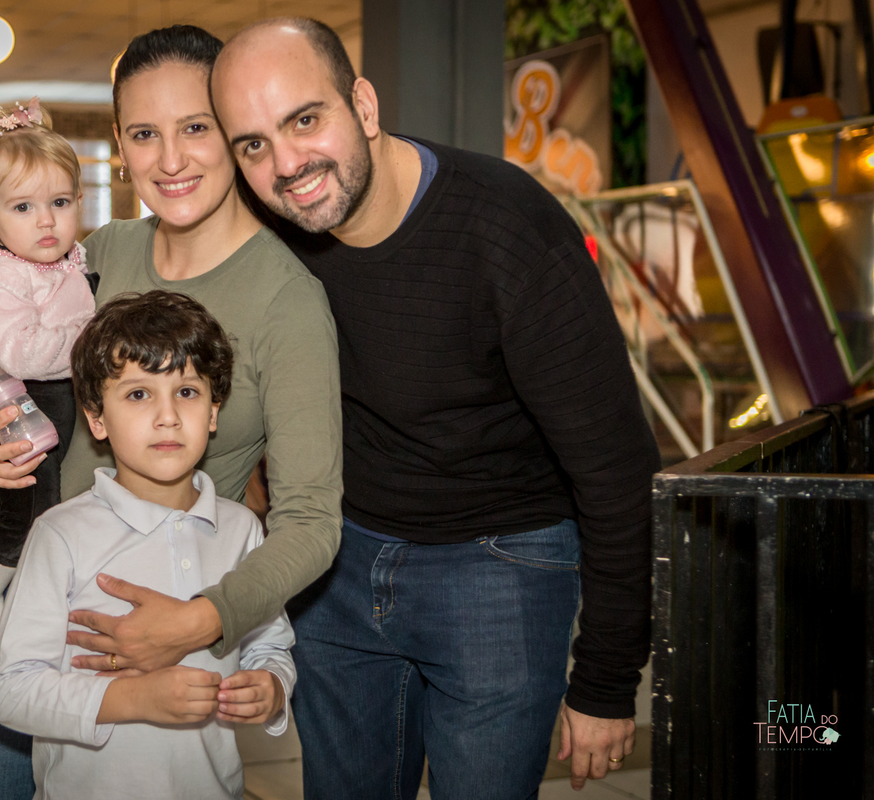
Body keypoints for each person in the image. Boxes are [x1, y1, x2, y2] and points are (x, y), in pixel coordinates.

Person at [207, 18, 662, 798]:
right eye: (252, 144)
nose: (287, 166)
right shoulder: (273, 240)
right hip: (339, 561)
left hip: (502, 565)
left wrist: (606, 680)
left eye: (305, 120)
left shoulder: (509, 230)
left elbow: (618, 471)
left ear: (366, 105)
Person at [0, 25, 342, 800]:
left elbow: (310, 521)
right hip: (22, 613)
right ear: (118, 149)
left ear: (234, 132)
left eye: (196, 127)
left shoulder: (286, 298)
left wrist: (204, 621)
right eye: (142, 134)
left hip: (158, 633)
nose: (170, 159)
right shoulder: (87, 254)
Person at [0, 291, 295, 800]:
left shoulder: (242, 531)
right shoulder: (62, 534)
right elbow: (7, 689)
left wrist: (271, 686)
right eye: (138, 394)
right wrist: (130, 698)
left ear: (214, 412)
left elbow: (270, 642)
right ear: (96, 419)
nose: (167, 416)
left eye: (188, 393)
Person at [0, 96, 96, 642]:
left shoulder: (64, 256)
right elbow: (24, 353)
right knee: (28, 503)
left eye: (60, 201)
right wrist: (93, 335)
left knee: (47, 503)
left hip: (48, 389)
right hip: (9, 394)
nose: (48, 221)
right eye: (23, 208)